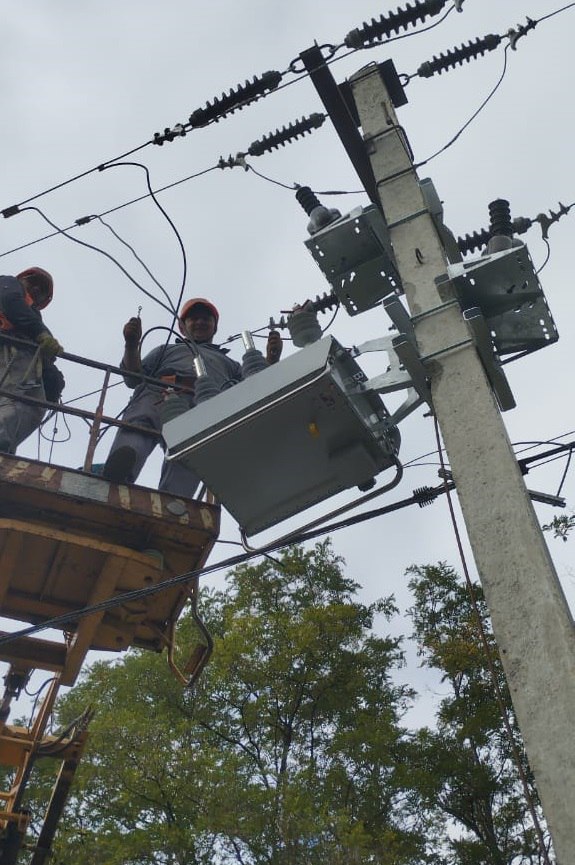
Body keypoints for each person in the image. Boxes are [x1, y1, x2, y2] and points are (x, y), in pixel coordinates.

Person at [102, 298, 282, 496]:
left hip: (202, 403)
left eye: (206, 319)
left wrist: (270, 360)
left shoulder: (229, 364)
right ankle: (120, 470)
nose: (200, 322)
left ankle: (174, 500)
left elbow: (254, 387)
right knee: (140, 424)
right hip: (159, 393)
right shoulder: (166, 350)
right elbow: (132, 378)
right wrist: (131, 345)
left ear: (215, 328)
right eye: (193, 318)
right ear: (181, 326)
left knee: (190, 449)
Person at [0, 268, 64, 454]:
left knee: (31, 404)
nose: (37, 288)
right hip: (8, 351)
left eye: (42, 289)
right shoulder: (9, 284)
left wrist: (53, 381)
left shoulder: (30, 315)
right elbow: (11, 302)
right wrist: (42, 333)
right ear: (22, 278)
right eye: (33, 281)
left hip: (16, 356)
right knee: (26, 400)